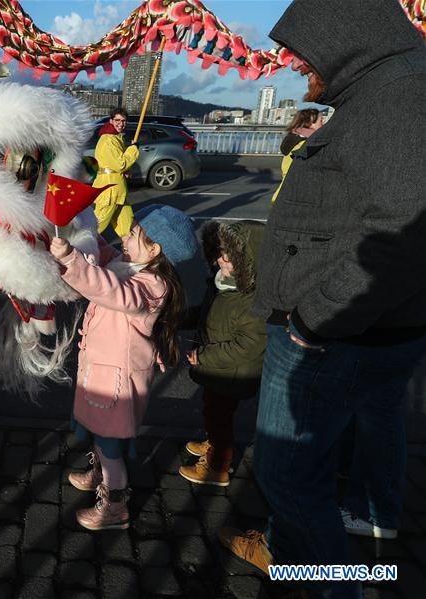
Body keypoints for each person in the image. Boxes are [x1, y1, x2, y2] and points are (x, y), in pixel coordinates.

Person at [219, 1, 426, 597]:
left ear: (341, 33)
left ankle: (334, 584)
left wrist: (316, 318)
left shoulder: (400, 96)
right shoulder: (388, 88)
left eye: (304, 48)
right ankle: (325, 545)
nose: (296, 64)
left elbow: (403, 230)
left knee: (288, 473)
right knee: (362, 432)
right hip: (365, 332)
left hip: (333, 335)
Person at [50, 204, 198, 531]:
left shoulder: (152, 285)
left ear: (155, 249)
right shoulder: (128, 263)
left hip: (118, 378)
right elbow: (103, 258)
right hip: (103, 370)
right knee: (98, 430)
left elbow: (111, 290)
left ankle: (115, 504)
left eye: (133, 233)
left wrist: (71, 259)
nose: (124, 235)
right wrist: (83, 231)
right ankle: (99, 473)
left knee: (110, 442)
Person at [181, 221, 266, 487]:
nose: (220, 261)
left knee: (220, 416)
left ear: (247, 260)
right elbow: (205, 313)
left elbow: (248, 345)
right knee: (214, 412)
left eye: (228, 258)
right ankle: (215, 443)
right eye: (219, 255)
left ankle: (218, 466)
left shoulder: (251, 300)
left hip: (231, 372)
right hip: (218, 368)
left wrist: (205, 357)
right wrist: (179, 317)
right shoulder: (222, 284)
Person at [92, 108, 140, 237]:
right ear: (111, 121)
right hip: (110, 189)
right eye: (117, 120)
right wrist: (133, 149)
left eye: (124, 121)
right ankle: (77, 250)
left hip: (118, 189)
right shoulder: (109, 140)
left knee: (127, 226)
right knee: (96, 227)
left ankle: (131, 250)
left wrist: (124, 172)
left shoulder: (115, 138)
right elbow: (120, 164)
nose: (121, 123)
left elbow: (116, 165)